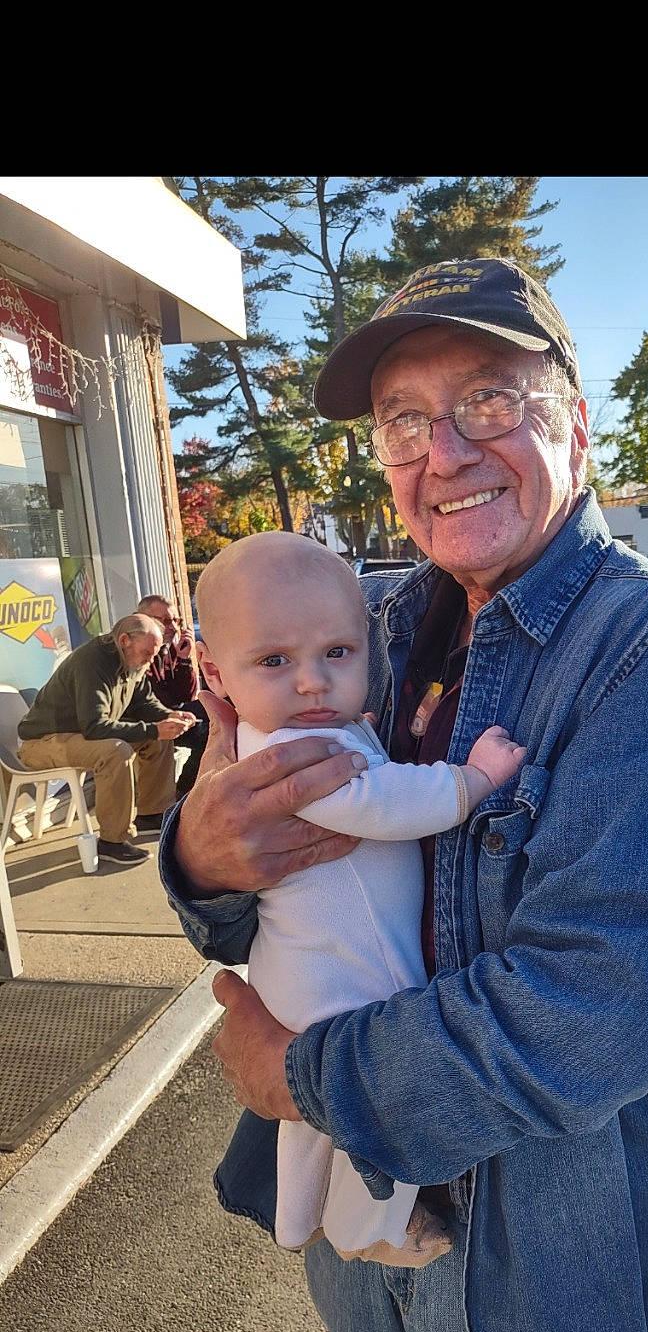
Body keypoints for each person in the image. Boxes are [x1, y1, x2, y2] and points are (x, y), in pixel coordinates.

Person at [160, 256, 648, 1332]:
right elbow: (241, 883)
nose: (445, 453)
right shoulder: (366, 621)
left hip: (537, 1245)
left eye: (487, 400)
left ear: (576, 422)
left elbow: (595, 1006)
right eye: (405, 421)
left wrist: (300, 1072)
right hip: (365, 1234)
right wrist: (199, 861)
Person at [193, 529, 526, 1268]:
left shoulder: (307, 731)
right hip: (339, 969)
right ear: (214, 671)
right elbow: (380, 805)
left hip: (323, 958)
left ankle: (314, 1221)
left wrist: (365, 743)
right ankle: (371, 1228)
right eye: (274, 661)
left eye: (336, 654)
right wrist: (470, 782)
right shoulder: (285, 755)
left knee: (314, 1122)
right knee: (347, 1109)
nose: (312, 682)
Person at [18, 613, 198, 864]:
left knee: (160, 736)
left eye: (154, 653)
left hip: (81, 734)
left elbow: (144, 702)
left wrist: (169, 716)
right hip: (43, 741)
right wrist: (155, 728)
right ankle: (112, 841)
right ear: (124, 640)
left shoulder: (132, 659)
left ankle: (151, 815)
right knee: (116, 750)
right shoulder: (91, 662)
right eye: (147, 653)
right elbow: (95, 727)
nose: (150, 660)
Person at [135, 593, 209, 824]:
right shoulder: (138, 651)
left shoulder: (167, 650)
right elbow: (151, 699)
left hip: (166, 713)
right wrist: (176, 712)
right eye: (166, 621)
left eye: (176, 621)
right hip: (141, 720)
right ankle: (183, 796)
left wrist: (184, 659)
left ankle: (185, 793)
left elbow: (186, 695)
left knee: (217, 714)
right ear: (142, 619)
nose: (173, 627)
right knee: (206, 733)